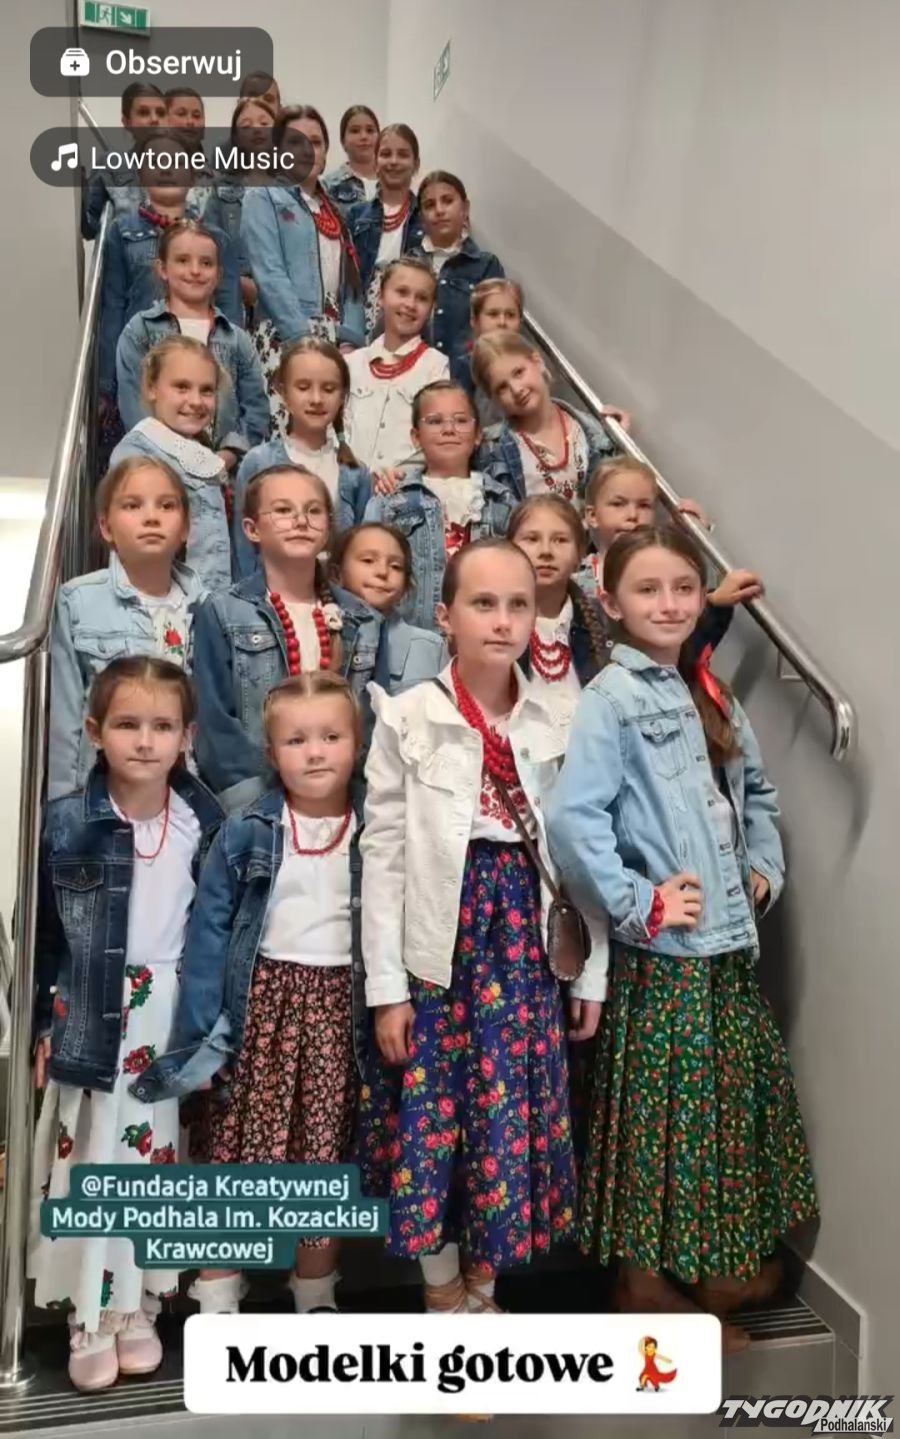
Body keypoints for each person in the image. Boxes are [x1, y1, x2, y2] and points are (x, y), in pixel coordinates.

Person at [545, 526, 819, 1351]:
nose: (668, 604)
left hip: (727, 947)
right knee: (662, 1119)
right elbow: (574, 821)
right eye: (648, 589)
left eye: (683, 589)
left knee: (722, 1111)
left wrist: (762, 867)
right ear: (612, 601)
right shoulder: (613, 698)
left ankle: (704, 1267)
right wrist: (644, 902)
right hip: (667, 958)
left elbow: (756, 792)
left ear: (702, 600)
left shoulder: (709, 689)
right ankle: (644, 1284)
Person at [357, 538, 608, 1314]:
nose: (502, 621)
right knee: (432, 1121)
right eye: (483, 603)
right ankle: (442, 1295)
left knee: (505, 1119)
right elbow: (384, 856)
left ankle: (484, 1291)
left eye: (518, 605)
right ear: (446, 615)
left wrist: (592, 970)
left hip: (525, 947)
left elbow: (583, 850)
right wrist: (387, 988)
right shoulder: (409, 717)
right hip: (440, 947)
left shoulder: (562, 718)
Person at [131, 673, 366, 1316]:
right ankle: (218, 1289)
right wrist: (201, 1038)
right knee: (237, 1150)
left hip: (339, 1015)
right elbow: (209, 937)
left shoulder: (375, 828)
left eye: (331, 737)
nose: (314, 752)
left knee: (323, 1155)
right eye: (296, 740)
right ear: (270, 752)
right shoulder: (248, 829)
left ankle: (314, 1291)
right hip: (263, 1010)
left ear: (357, 743)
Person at [29, 657, 223, 1389]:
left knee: (155, 1160)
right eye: (127, 724)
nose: (145, 740)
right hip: (90, 1009)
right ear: (94, 731)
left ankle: (140, 1303)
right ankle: (90, 1311)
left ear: (187, 735)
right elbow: (43, 932)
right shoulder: (68, 822)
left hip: (167, 1013)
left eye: (163, 725)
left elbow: (218, 931)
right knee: (92, 1157)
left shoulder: (205, 822)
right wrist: (42, 1021)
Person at [193, 465, 435, 812]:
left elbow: (371, 723)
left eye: (314, 510)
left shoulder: (365, 620)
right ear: (252, 529)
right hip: (256, 807)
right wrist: (260, 806)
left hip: (343, 806)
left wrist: (351, 798)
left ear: (328, 528)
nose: (301, 521)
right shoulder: (222, 612)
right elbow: (215, 725)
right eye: (283, 510)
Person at [48, 455, 203, 801]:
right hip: (102, 796)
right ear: (106, 527)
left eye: (167, 505)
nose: (151, 517)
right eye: (132, 505)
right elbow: (63, 716)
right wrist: (63, 802)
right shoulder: (78, 601)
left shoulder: (207, 606)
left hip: (183, 794)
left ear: (185, 528)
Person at [98, 133, 241, 420]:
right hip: (142, 362)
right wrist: (105, 384)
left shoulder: (216, 238)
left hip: (203, 361)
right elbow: (112, 309)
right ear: (140, 173)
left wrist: (232, 369)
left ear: (193, 174)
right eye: (155, 161)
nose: (165, 169)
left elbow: (231, 308)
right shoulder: (121, 231)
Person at [363, 380, 516, 630]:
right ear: (416, 437)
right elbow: (365, 570)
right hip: (410, 638)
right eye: (435, 421)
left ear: (478, 434)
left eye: (461, 420)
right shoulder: (392, 499)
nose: (449, 429)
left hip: (484, 633)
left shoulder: (501, 500)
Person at [241, 105, 365, 409]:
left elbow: (352, 286)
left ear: (325, 154)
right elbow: (270, 274)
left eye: (316, 142)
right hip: (285, 340)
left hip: (336, 346)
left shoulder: (336, 211)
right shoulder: (263, 197)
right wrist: (302, 341)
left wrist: (350, 343)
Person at [115, 220, 269, 459]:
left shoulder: (237, 339)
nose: (195, 271)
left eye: (206, 263)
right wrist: (173, 461)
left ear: (218, 275)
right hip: (159, 467)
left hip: (223, 470)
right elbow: (134, 407)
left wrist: (226, 457)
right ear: (162, 268)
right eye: (183, 260)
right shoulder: (139, 331)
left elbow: (255, 410)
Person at [231, 338, 372, 578]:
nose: (316, 399)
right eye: (304, 387)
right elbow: (242, 550)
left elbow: (360, 553)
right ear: (284, 393)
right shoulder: (259, 462)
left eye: (329, 389)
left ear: (342, 397)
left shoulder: (355, 473)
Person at [577, 456, 763, 637]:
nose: (632, 515)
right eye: (618, 504)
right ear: (592, 516)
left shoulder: (671, 570)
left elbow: (683, 638)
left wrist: (697, 537)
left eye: (644, 505)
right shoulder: (576, 585)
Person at [111, 337, 233, 592]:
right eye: (182, 387)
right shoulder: (137, 453)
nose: (196, 401)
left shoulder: (201, 452)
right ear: (152, 388)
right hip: (165, 603)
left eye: (206, 390)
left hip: (212, 600)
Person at [471, 332, 624, 504]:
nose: (516, 389)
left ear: (538, 362)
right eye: (502, 387)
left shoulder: (595, 433)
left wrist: (620, 443)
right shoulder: (491, 451)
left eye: (519, 372)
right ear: (494, 399)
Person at [329, 521, 445, 745]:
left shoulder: (431, 647)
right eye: (368, 561)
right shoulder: (326, 633)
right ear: (336, 574)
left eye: (396, 566)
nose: (382, 572)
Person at [507, 495, 612, 734]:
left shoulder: (604, 623)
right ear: (509, 549)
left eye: (560, 540)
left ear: (579, 554)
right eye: (532, 539)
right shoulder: (494, 625)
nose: (546, 551)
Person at [344, 258, 449, 473]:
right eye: (402, 292)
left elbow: (437, 435)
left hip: (402, 486)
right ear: (381, 297)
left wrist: (401, 475)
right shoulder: (352, 363)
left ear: (432, 308)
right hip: (347, 482)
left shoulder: (436, 366)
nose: (410, 304)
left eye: (422, 298)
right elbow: (335, 428)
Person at [406, 171, 505, 382]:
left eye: (447, 201)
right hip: (414, 379)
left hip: (467, 381)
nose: (439, 210)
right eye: (430, 205)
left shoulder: (486, 265)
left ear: (465, 208)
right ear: (421, 218)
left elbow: (498, 333)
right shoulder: (408, 264)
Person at [346, 124, 425, 338]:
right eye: (386, 154)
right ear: (376, 162)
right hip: (362, 318)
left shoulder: (425, 216)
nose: (393, 161)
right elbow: (348, 284)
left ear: (416, 164)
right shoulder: (356, 215)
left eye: (403, 154)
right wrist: (349, 337)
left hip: (410, 316)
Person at [204, 97, 277, 321]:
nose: (256, 129)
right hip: (237, 304)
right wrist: (238, 283)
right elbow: (210, 248)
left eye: (264, 123)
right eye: (246, 126)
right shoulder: (221, 190)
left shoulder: (293, 187)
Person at [81, 82, 167, 241]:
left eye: (161, 113)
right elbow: (89, 228)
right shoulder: (112, 165)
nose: (155, 119)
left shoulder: (187, 168)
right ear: (126, 122)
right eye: (144, 112)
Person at [466, 278, 525, 427]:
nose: (502, 322)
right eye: (493, 314)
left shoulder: (531, 369)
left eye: (510, 315)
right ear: (474, 320)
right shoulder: (458, 368)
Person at [323, 104, 381, 208]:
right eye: (355, 131)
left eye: (370, 130)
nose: (364, 136)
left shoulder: (393, 182)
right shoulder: (327, 187)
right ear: (343, 141)